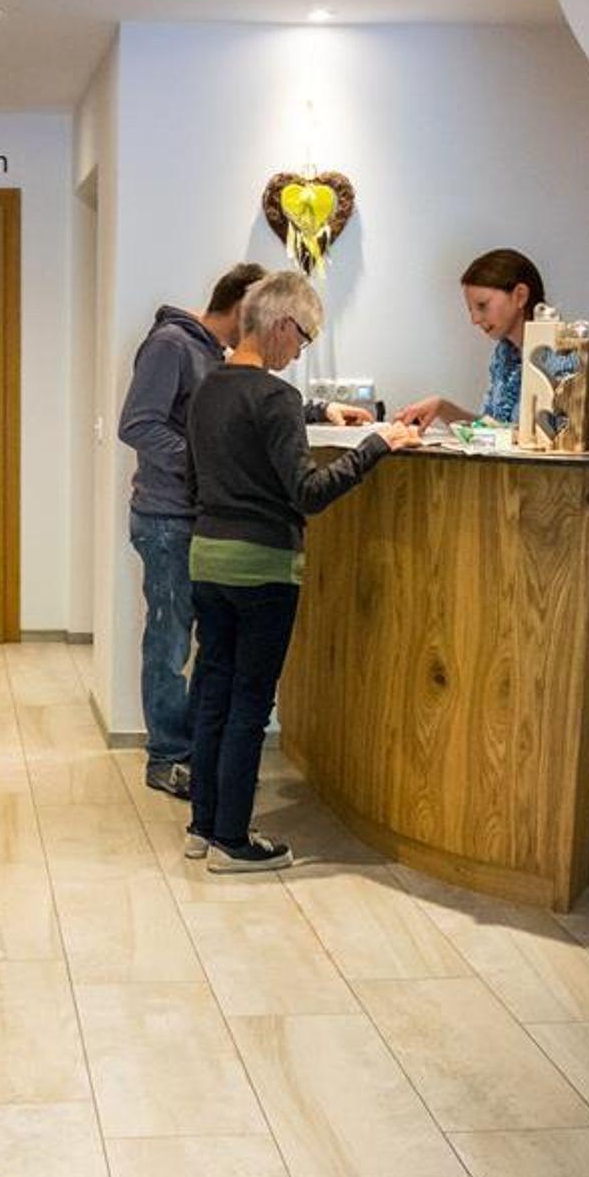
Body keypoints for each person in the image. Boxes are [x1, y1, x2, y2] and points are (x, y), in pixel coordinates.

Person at [185, 271, 419, 871]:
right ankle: (233, 842)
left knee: (212, 693)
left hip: (207, 557)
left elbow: (194, 479)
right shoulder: (275, 397)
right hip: (263, 567)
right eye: (304, 337)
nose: (299, 352)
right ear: (282, 325)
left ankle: (203, 826)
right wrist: (376, 447)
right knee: (249, 703)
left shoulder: (208, 387)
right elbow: (309, 492)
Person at [398, 248, 589, 827]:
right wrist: (442, 408)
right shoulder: (505, 356)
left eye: (483, 305)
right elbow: (498, 431)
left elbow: (550, 435)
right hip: (538, 520)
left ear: (520, 295)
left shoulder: (562, 352)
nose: (475, 319)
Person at [119, 264, 373, 800]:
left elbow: (244, 405)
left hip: (202, 516)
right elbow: (137, 424)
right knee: (170, 641)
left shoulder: (219, 360)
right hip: (167, 516)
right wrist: (208, 460)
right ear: (245, 308)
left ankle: (200, 763)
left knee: (208, 659)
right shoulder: (171, 345)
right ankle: (168, 757)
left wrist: (322, 408)